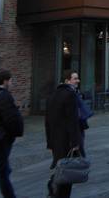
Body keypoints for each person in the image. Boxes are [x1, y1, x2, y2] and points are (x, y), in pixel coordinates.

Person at [0, 70, 24, 198]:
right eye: (11, 80)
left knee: (3, 171)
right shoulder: (4, 96)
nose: (12, 83)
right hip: (2, 140)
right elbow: (10, 120)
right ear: (5, 81)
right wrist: (17, 131)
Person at [45, 70, 84, 198]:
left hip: (56, 140)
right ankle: (55, 186)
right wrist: (75, 142)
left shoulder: (52, 95)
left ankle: (54, 186)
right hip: (67, 140)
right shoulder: (70, 95)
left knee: (62, 168)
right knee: (67, 172)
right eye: (75, 79)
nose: (78, 81)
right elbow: (72, 120)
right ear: (67, 81)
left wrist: (49, 141)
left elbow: (47, 121)